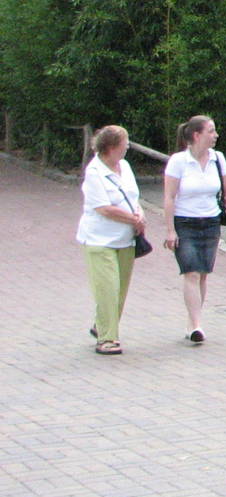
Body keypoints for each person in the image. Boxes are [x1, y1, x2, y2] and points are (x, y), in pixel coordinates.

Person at [162, 115, 226, 344]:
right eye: (211, 131)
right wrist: (170, 230)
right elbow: (169, 196)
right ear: (197, 135)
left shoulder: (218, 159)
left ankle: (191, 321)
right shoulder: (178, 161)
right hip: (185, 222)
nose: (215, 136)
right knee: (191, 272)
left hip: (211, 222)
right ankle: (197, 325)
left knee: (203, 273)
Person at [78, 125, 146, 355]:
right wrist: (133, 219)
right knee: (107, 288)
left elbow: (133, 197)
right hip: (99, 239)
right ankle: (107, 339)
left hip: (125, 239)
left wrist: (139, 214)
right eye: (125, 142)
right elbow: (103, 208)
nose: (128, 146)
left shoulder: (125, 167)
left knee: (120, 291)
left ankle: (102, 324)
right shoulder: (94, 172)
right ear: (111, 146)